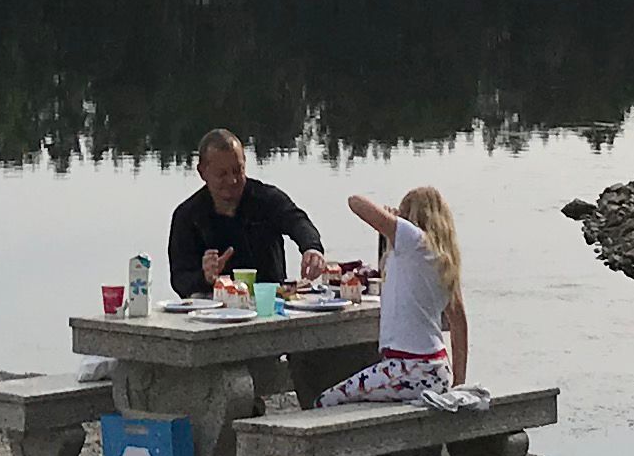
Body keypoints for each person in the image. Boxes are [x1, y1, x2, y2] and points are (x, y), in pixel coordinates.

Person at [315, 186, 468, 404]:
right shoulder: (444, 259)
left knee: (326, 401)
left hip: (410, 368)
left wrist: (390, 218)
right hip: (438, 369)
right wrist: (459, 382)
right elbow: (459, 324)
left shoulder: (413, 238)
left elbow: (355, 201)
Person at [166, 128, 327, 298]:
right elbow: (180, 280)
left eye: (238, 170)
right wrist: (204, 277)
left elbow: (297, 221)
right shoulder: (187, 216)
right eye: (222, 174)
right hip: (214, 311)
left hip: (269, 303)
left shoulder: (266, 199)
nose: (232, 180)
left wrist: (312, 248)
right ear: (202, 172)